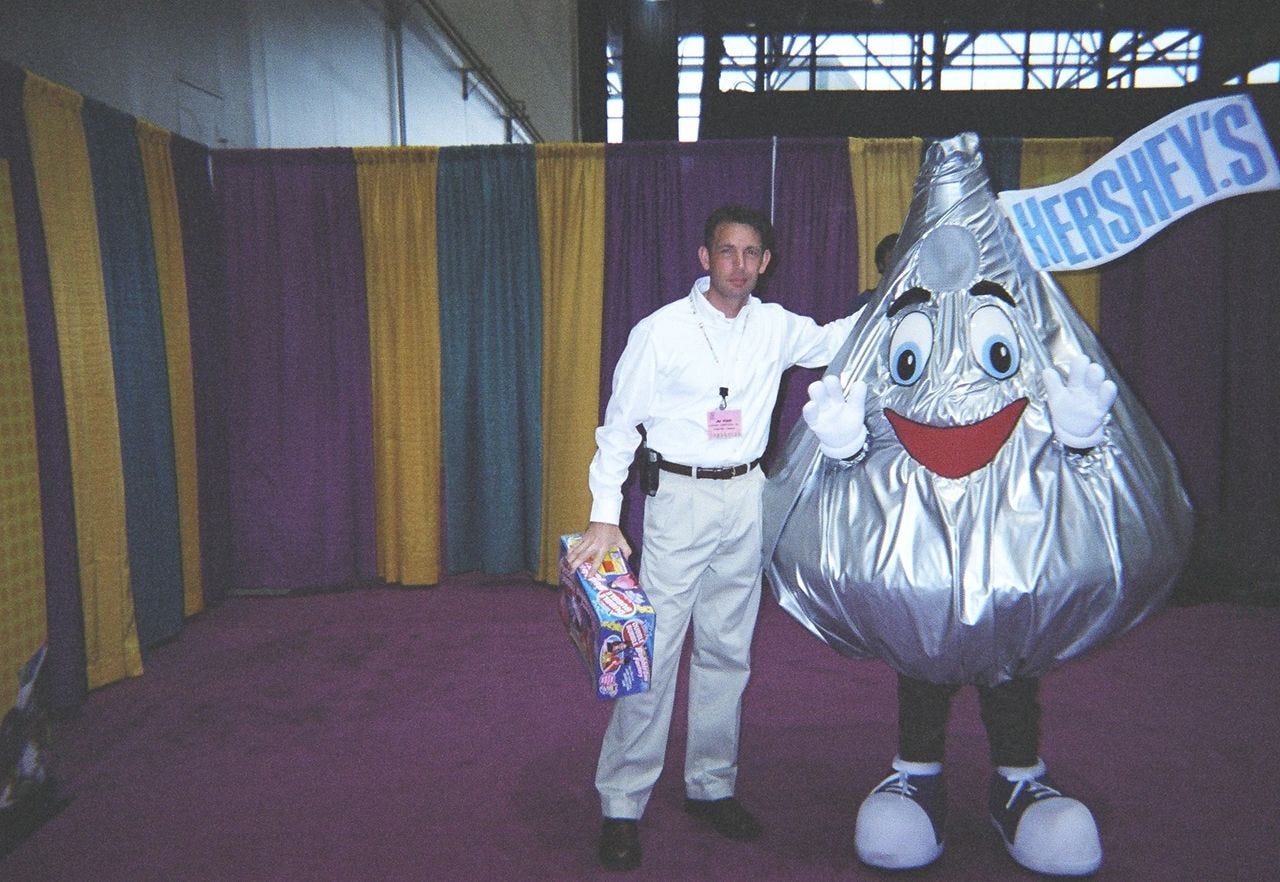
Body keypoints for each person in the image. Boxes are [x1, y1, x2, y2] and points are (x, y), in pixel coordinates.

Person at [565, 204, 862, 872]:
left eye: (752, 253)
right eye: (728, 251)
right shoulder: (661, 331)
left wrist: (908, 293)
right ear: (705, 258)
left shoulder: (777, 326)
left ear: (766, 262)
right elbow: (619, 427)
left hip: (749, 494)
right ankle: (622, 802)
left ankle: (711, 784)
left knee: (728, 650)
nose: (740, 265)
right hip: (680, 499)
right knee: (655, 650)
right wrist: (604, 514)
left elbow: (840, 341)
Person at [852, 232, 898, 312]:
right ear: (881, 265)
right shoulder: (867, 300)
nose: (898, 262)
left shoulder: (916, 298)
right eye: (892, 258)